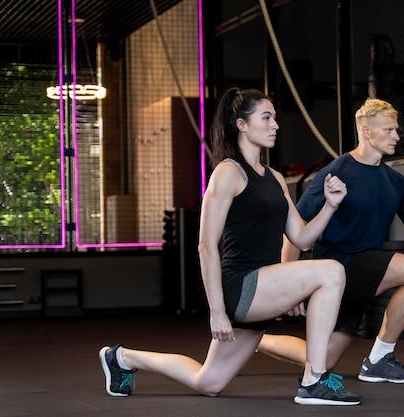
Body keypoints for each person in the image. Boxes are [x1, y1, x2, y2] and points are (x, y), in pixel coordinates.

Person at [98, 87, 361, 406]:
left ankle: (122, 358)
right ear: (241, 124)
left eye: (275, 118)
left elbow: (302, 238)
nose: (275, 125)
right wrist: (217, 312)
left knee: (208, 382)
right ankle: (314, 379)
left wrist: (331, 206)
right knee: (332, 271)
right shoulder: (227, 173)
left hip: (263, 286)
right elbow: (206, 246)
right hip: (241, 287)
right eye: (266, 118)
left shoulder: (275, 178)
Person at [258, 97, 404, 384]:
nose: (396, 136)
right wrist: (290, 283)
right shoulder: (336, 172)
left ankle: (249, 339)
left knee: (321, 358)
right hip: (336, 266)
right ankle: (379, 359)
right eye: (388, 130)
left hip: (364, 270)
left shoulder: (395, 182)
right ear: (366, 131)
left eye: (396, 130)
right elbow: (295, 229)